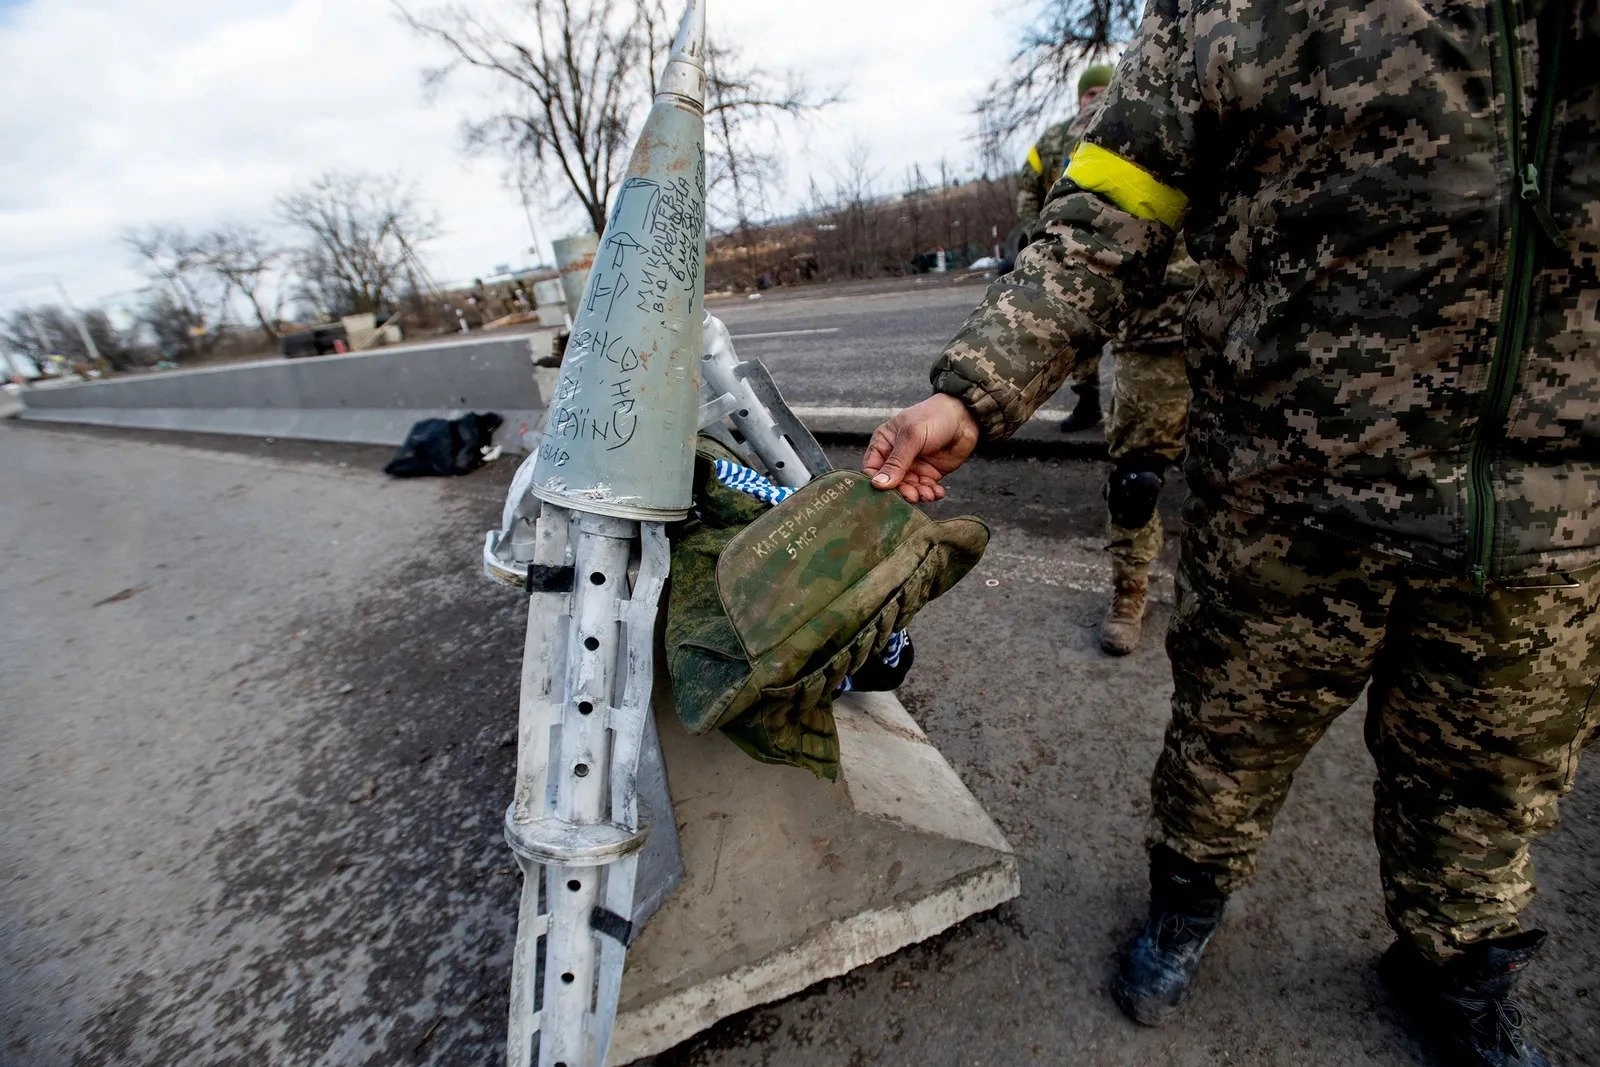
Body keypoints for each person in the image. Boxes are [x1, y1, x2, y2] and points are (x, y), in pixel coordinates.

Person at [865, 2, 1597, 1064]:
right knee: (1226, 742)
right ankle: (1185, 903)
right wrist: (976, 392)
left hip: (1547, 513)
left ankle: (1458, 961)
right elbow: (1099, 215)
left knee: (1492, 782)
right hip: (1287, 489)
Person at [1015, 64, 1115, 434]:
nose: (1098, 100)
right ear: (1079, 99)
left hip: (1128, 249)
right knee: (1080, 331)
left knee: (1143, 339)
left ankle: (1148, 417)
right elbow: (1027, 186)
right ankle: (1088, 402)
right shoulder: (1055, 139)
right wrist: (1034, 233)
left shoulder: (1134, 127)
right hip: (1073, 252)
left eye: (1106, 91)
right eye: (1091, 94)